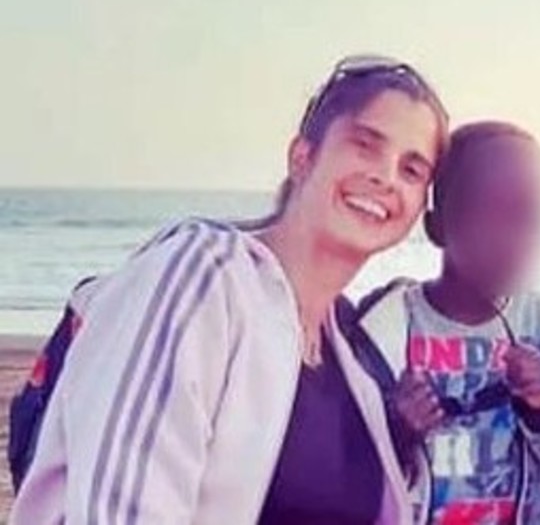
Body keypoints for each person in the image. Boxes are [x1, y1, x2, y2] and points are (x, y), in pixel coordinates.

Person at [10, 55, 451, 524]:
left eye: (411, 170)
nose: (385, 177)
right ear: (302, 157)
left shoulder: (348, 356)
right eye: (365, 145)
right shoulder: (203, 276)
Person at [356, 121, 540, 525]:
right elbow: (350, 469)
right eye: (492, 212)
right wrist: (396, 427)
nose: (514, 236)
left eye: (529, 215)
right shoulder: (391, 323)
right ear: (437, 226)